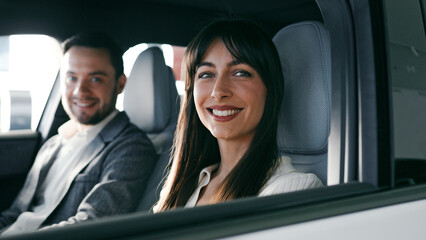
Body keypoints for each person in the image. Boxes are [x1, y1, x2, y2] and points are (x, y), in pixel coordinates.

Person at [154, 19, 322, 212]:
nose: (218, 91)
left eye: (240, 73)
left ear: (271, 88)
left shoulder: (291, 189)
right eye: (206, 74)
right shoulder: (183, 184)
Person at [0, 32, 157, 235]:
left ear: (120, 84)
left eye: (95, 79)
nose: (80, 91)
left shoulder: (132, 148)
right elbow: (15, 213)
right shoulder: (54, 143)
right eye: (71, 78)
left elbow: (90, 225)